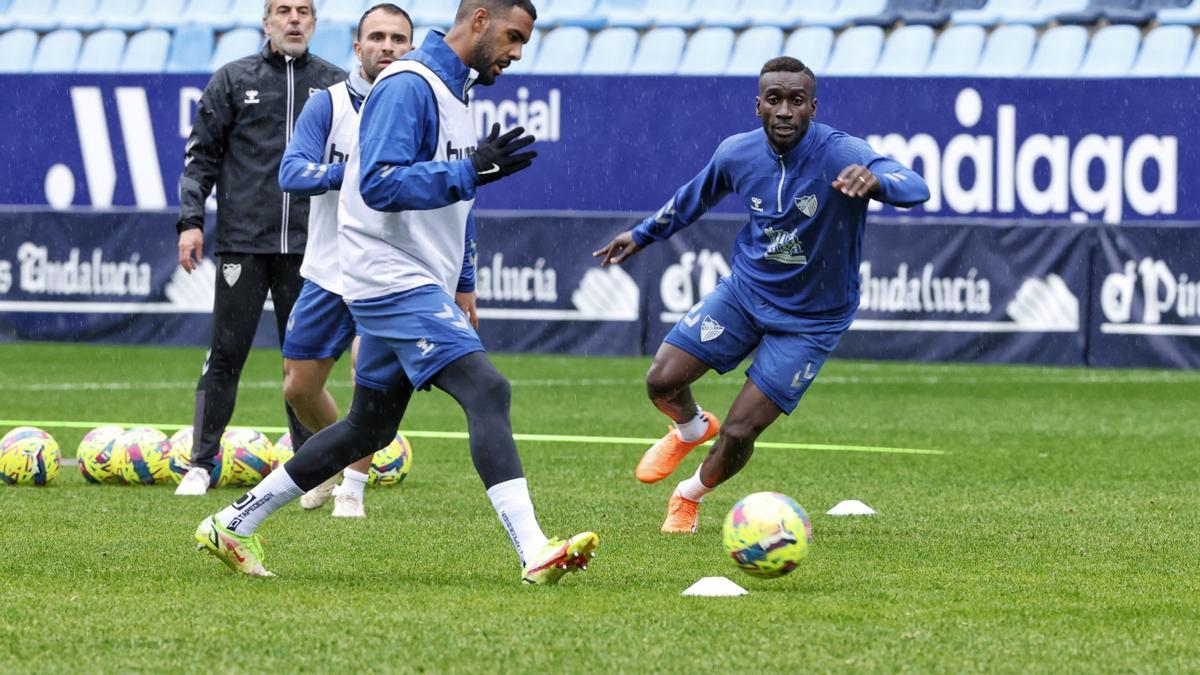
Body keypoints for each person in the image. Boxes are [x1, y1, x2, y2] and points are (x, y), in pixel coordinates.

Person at [195, 0, 599, 585]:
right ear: (479, 20)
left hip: (417, 276)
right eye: (513, 37)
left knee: (368, 428)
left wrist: (463, 280)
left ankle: (232, 523)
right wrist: (471, 171)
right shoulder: (410, 84)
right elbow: (378, 183)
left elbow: (461, 204)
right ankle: (535, 548)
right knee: (488, 390)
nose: (516, 53)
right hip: (387, 275)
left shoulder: (454, 92)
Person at [593, 56, 931, 534]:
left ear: (813, 107)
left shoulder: (840, 152)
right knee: (661, 381)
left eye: (797, 101)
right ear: (758, 106)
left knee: (739, 431)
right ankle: (690, 428)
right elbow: (694, 197)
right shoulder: (737, 153)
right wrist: (642, 234)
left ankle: (688, 496)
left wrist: (878, 181)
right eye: (775, 100)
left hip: (812, 320)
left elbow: (915, 186)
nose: (786, 111)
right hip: (746, 294)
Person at [276, 3, 480, 519]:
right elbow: (292, 172)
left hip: (393, 271)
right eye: (377, 38)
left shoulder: (424, 100)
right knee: (300, 386)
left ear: (410, 47)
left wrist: (465, 281)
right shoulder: (328, 105)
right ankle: (332, 459)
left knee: (363, 380)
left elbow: (457, 196)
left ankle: (353, 487)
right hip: (329, 266)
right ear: (357, 46)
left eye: (397, 39)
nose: (387, 46)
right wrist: (358, 174)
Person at [174, 0, 346, 496]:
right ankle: (200, 464)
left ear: (315, 23)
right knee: (226, 353)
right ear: (266, 21)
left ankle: (309, 470)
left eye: (304, 11)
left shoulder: (335, 86)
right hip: (243, 243)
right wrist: (191, 221)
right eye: (283, 10)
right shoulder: (231, 79)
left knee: (302, 363)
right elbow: (200, 156)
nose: (294, 19)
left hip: (311, 247)